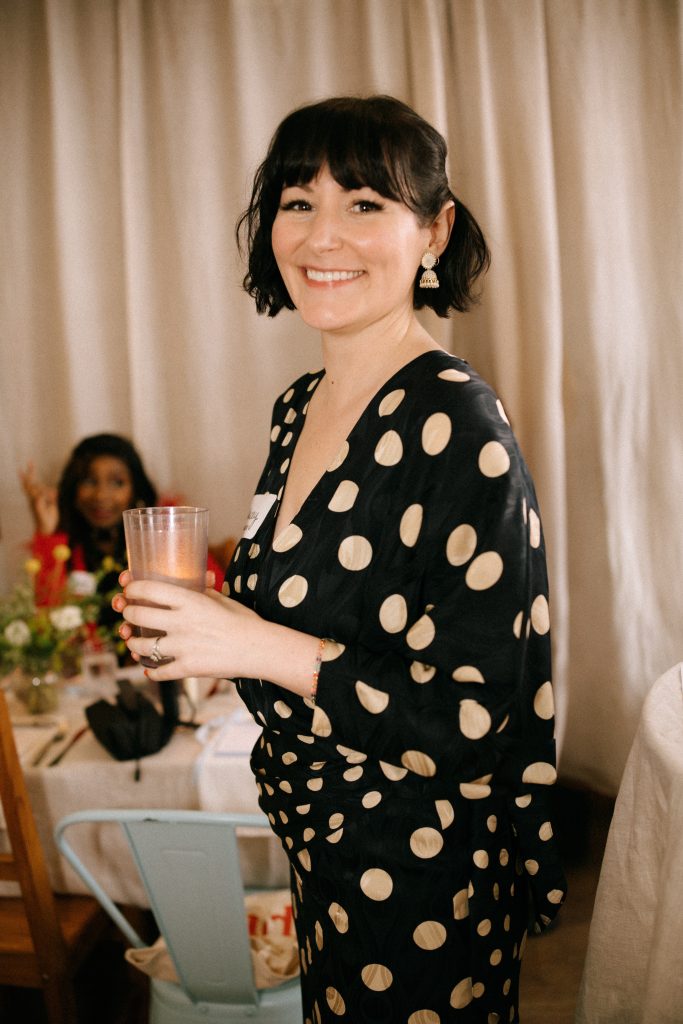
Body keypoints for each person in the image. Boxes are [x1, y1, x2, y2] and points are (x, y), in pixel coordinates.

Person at [115, 95, 567, 1023]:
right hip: (325, 848)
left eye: (364, 203)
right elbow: (317, 618)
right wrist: (213, 629)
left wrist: (254, 648)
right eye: (297, 201)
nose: (324, 235)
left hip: (421, 866)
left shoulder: (456, 425)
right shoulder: (298, 405)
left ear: (433, 231)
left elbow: (477, 720)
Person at [21, 433, 158, 607]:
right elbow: (48, 621)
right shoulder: (67, 547)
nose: (101, 496)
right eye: (89, 481)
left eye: (117, 483)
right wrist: (48, 533)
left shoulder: (166, 545)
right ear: (73, 489)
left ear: (135, 490)